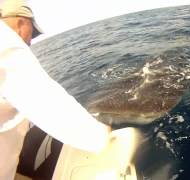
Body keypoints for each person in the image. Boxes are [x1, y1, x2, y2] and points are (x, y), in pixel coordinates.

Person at [0, 0, 111, 179]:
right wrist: (103, 137)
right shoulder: (5, 42)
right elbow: (44, 101)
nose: (30, 41)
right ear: (22, 22)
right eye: (32, 32)